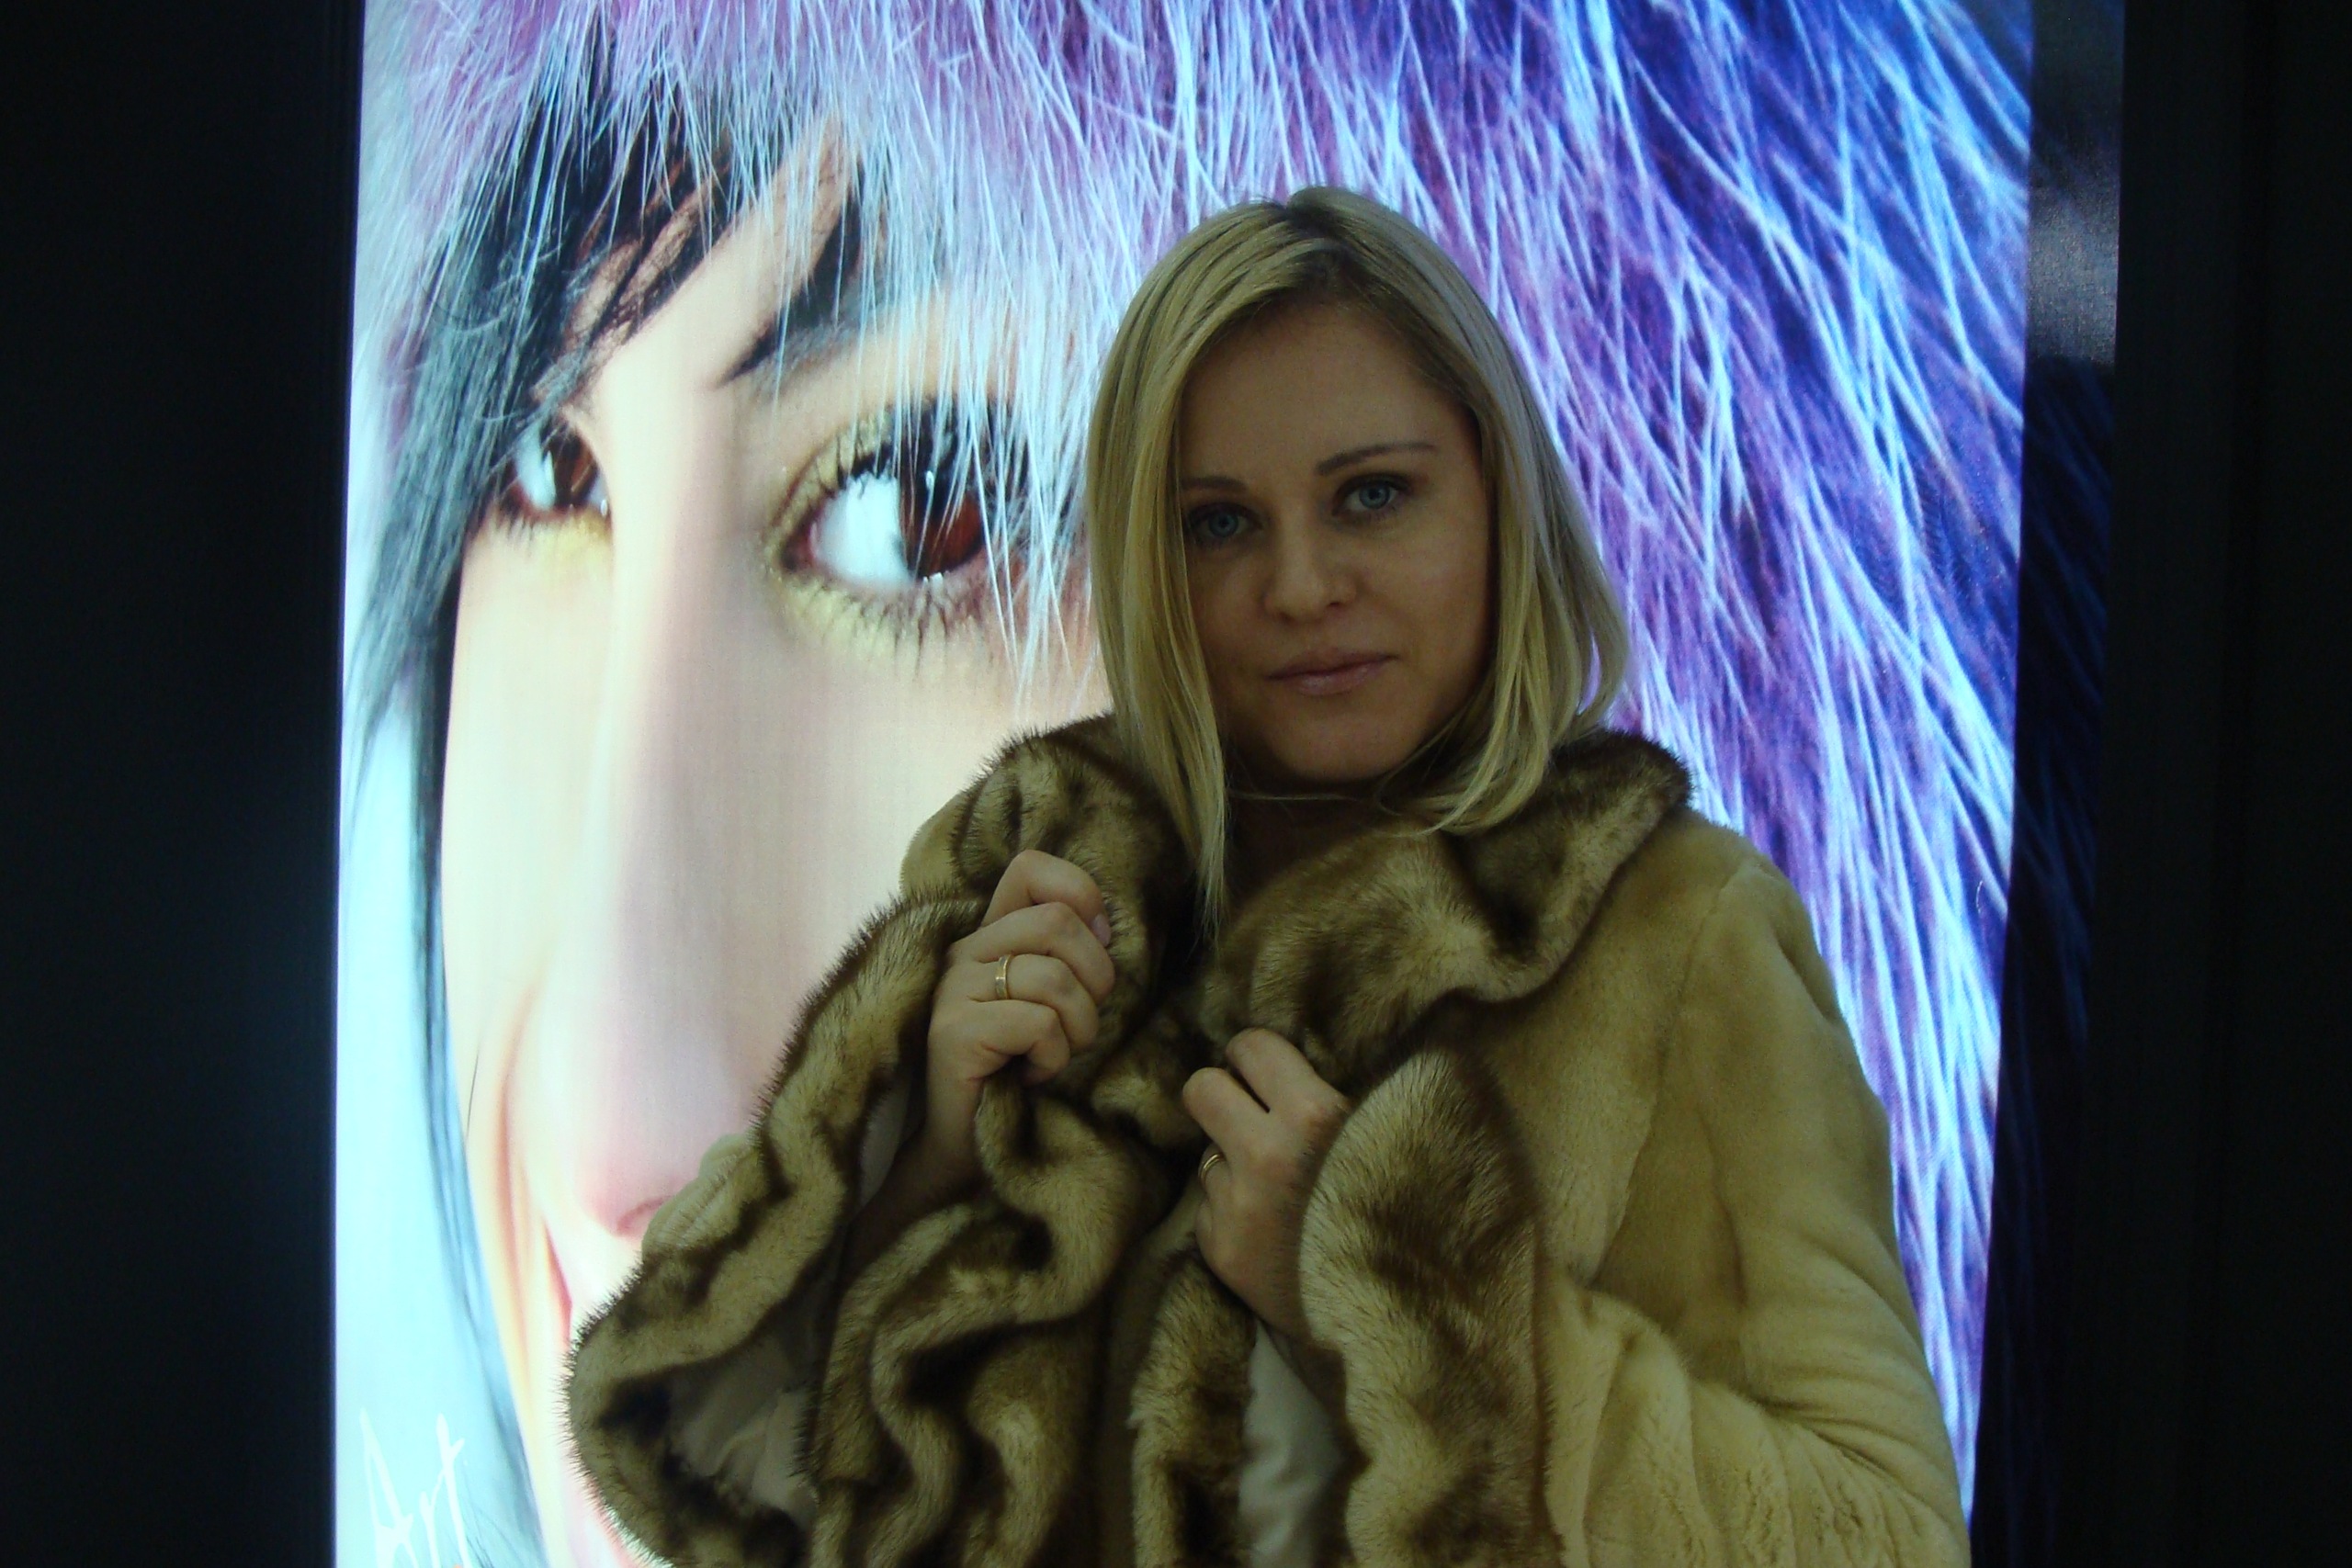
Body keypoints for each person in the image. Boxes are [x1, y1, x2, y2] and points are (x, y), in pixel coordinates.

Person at [566, 188, 1970, 1567]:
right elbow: (726, 1464)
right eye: (1220, 523)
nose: (1301, 586)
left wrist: (1390, 1287)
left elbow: (1885, 1540)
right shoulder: (1040, 868)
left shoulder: (1672, 935)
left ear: (1499, 501)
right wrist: (918, 1157)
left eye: (1373, 496)